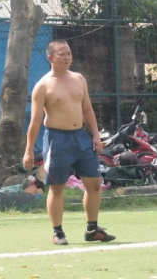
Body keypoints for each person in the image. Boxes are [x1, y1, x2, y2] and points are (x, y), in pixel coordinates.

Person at [23, 39, 116, 246]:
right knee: (57, 188)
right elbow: (35, 121)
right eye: (62, 54)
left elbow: (88, 109)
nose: (67, 57)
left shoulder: (79, 78)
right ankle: (58, 233)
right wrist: (28, 151)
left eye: (69, 53)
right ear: (50, 58)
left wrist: (95, 135)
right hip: (57, 140)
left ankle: (92, 229)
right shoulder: (42, 86)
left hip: (81, 139)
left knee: (94, 184)